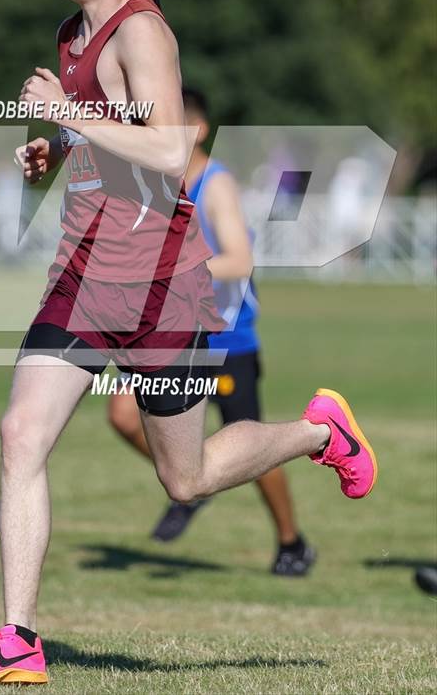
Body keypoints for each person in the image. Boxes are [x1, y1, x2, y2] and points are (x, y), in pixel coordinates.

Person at [0, 0, 378, 686]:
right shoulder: (73, 32)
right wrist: (53, 158)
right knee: (19, 435)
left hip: (158, 286)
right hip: (82, 273)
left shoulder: (145, 35)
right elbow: (112, 142)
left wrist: (67, 118)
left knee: (187, 475)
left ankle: (324, 433)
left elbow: (173, 151)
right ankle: (20, 639)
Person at [108, 88, 315, 575]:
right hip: (174, 336)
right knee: (122, 414)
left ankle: (292, 541)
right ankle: (192, 484)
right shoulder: (154, 184)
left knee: (251, 442)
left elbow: (240, 260)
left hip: (226, 340)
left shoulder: (214, 183)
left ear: (195, 129)